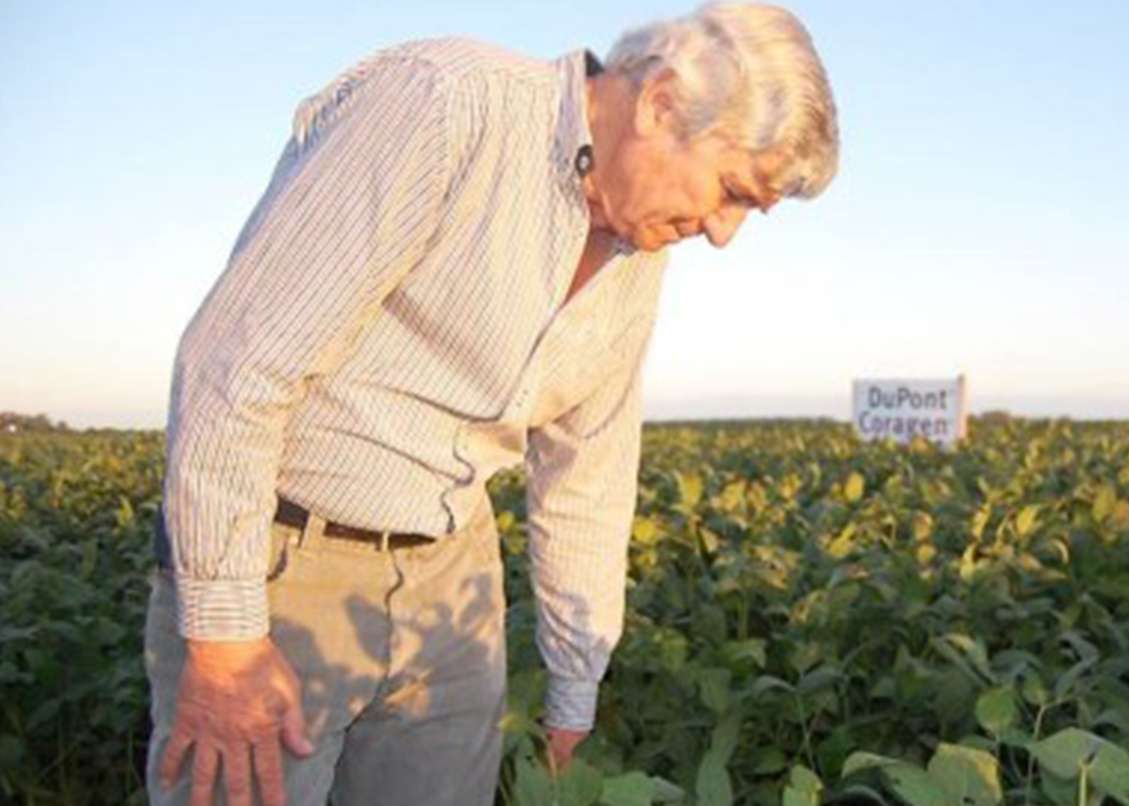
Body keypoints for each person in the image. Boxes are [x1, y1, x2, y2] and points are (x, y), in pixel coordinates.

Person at [142, 3, 839, 804]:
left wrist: (576, 683)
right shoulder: (445, 106)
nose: (723, 233)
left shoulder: (638, 249)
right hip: (286, 562)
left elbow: (588, 472)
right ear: (662, 104)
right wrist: (226, 639)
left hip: (454, 585)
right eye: (732, 193)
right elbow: (237, 364)